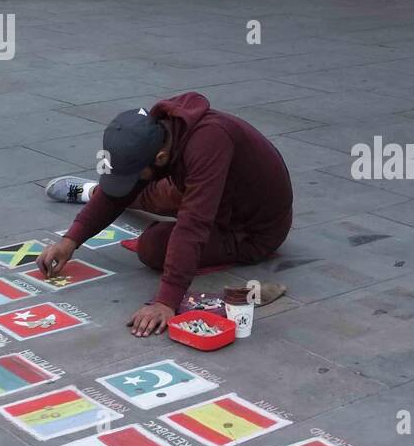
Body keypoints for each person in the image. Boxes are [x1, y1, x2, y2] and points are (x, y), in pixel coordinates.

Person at [39, 93, 294, 337]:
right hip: (214, 193)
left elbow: (193, 225)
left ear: (161, 158)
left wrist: (166, 301)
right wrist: (70, 241)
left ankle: (102, 190)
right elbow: (119, 195)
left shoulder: (209, 143)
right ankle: (94, 191)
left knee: (153, 246)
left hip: (250, 231)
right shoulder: (159, 131)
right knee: (139, 191)